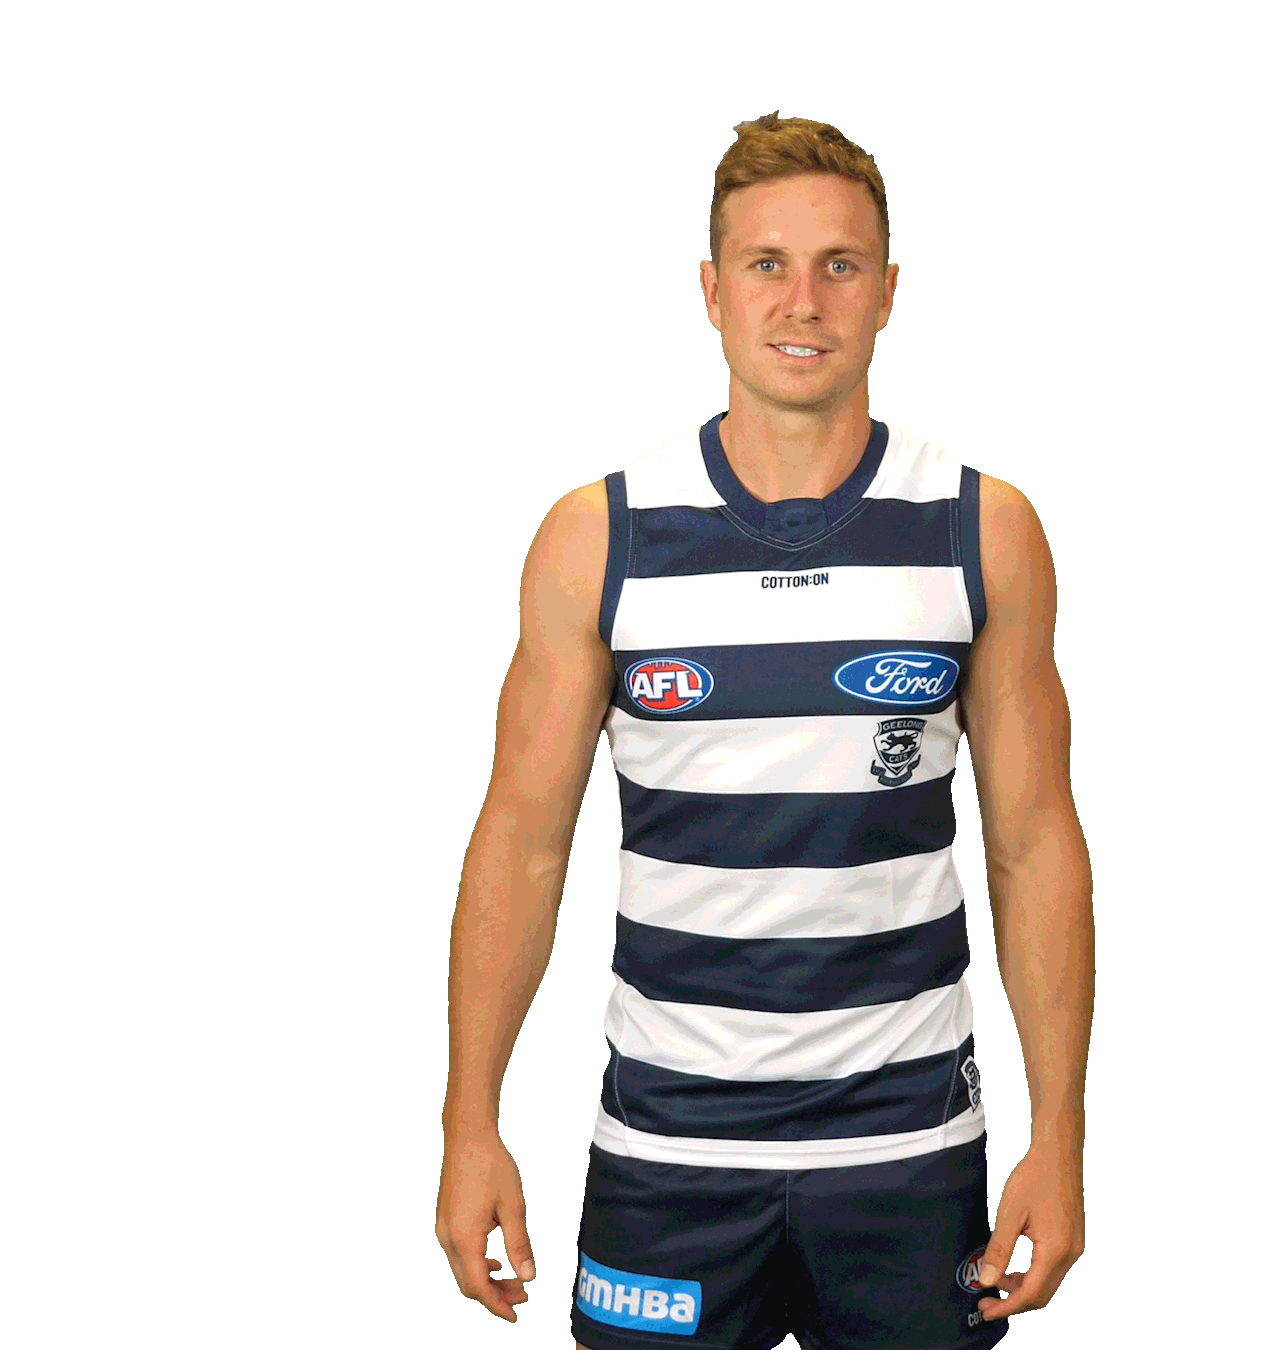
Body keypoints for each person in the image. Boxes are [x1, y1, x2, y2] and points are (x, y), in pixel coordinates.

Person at [437, 111, 1092, 1350]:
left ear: (887, 293)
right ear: (711, 293)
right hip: (665, 1148)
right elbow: (521, 846)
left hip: (913, 1150)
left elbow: (1033, 847)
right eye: (766, 264)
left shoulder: (985, 527)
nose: (804, 301)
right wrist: (469, 1123)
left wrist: (1059, 1139)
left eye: (840, 264)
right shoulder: (597, 536)